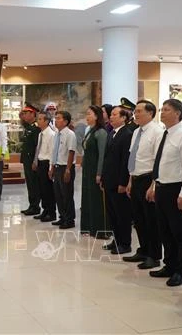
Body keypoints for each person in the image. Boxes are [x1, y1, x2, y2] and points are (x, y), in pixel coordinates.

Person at [146, 99, 182, 287]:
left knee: (178, 232)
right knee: (164, 230)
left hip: (176, 189)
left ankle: (181, 271)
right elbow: (159, 163)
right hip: (162, 187)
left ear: (177, 113)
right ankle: (169, 264)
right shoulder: (164, 134)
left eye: (166, 110)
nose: (162, 112)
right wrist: (153, 185)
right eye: (162, 109)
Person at [124, 100, 164, 270]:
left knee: (150, 220)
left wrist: (153, 186)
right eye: (135, 111)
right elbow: (133, 157)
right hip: (136, 178)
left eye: (139, 111)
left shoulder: (157, 132)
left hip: (149, 179)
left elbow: (157, 161)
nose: (136, 114)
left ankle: (154, 256)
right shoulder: (136, 132)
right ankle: (143, 250)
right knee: (139, 218)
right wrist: (130, 181)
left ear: (150, 113)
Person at [102, 106, 134, 255]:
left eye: (115, 114)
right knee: (112, 214)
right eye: (111, 114)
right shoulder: (112, 133)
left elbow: (125, 161)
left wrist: (123, 182)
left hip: (118, 182)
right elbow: (107, 159)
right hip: (109, 180)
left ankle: (125, 243)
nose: (111, 116)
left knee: (122, 214)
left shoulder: (126, 134)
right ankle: (116, 240)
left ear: (123, 118)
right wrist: (103, 177)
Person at [80, 106, 108, 238]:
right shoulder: (89, 131)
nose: (87, 116)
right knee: (88, 198)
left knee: (96, 200)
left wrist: (99, 173)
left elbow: (102, 155)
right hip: (87, 170)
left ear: (97, 116)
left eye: (89, 114)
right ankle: (89, 227)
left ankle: (99, 229)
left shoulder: (101, 132)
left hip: (95, 170)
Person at [49, 111, 77, 229]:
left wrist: (68, 170)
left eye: (58, 118)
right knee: (58, 194)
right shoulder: (57, 133)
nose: (56, 119)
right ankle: (62, 217)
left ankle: (70, 220)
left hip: (66, 167)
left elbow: (71, 151)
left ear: (65, 121)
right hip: (57, 167)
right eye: (55, 117)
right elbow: (54, 151)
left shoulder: (70, 134)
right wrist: (52, 167)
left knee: (67, 195)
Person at [32, 112, 57, 222]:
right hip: (40, 162)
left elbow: (52, 152)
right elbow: (39, 149)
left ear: (46, 121)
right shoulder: (40, 133)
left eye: (41, 119)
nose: (38, 120)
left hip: (47, 163)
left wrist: (51, 168)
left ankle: (51, 213)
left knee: (48, 190)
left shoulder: (51, 134)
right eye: (38, 118)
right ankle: (45, 210)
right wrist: (35, 161)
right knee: (42, 189)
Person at [20, 103, 42, 216]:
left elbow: (37, 146)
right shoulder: (28, 127)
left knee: (34, 184)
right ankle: (31, 205)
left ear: (33, 114)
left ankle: (35, 206)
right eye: (23, 113)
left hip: (32, 160)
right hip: (26, 160)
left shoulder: (36, 128)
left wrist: (35, 161)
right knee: (29, 183)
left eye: (26, 113)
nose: (24, 115)